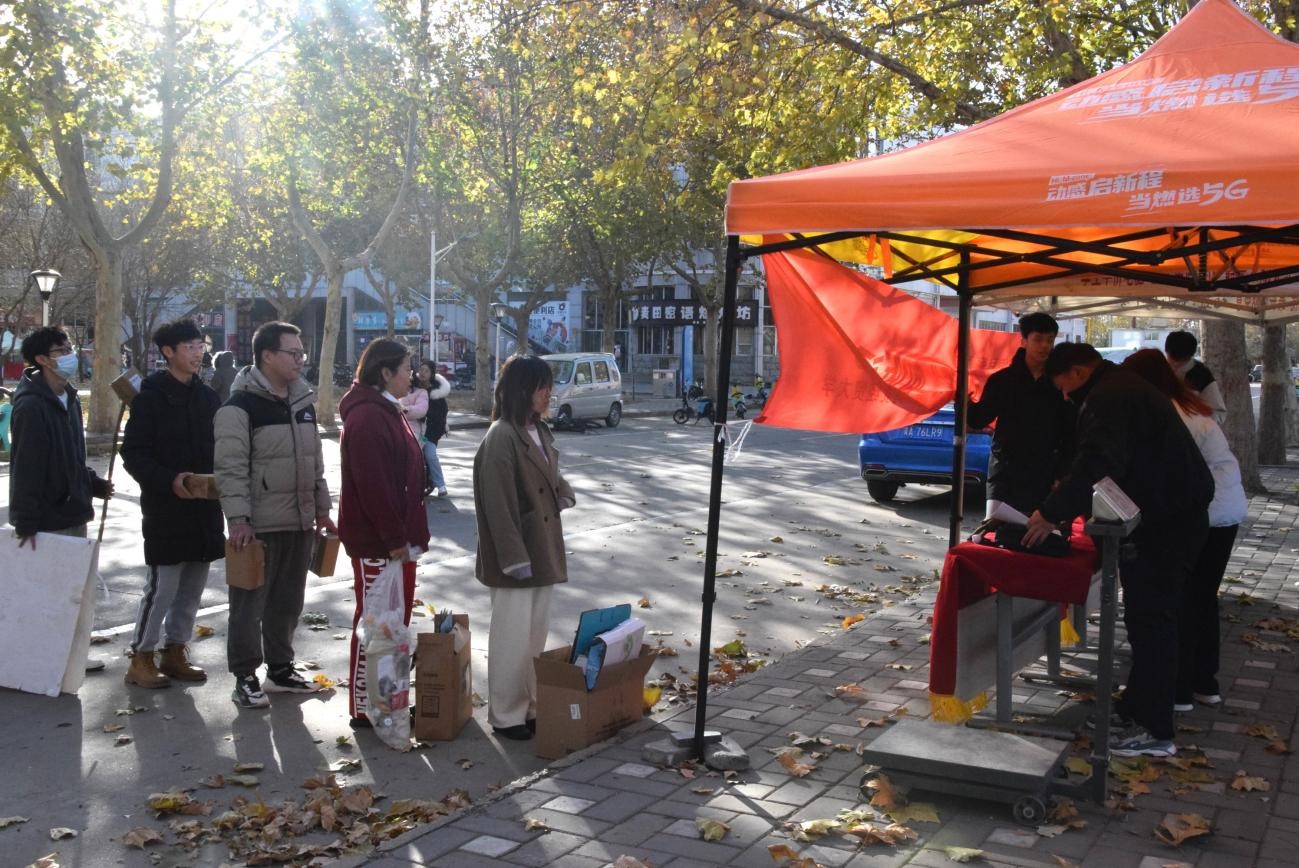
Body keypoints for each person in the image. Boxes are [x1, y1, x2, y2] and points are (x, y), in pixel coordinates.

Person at [1024, 343, 1213, 758]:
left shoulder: (1110, 396)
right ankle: (1135, 709)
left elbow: (1098, 461)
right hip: (1168, 515)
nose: (1064, 396)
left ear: (1076, 372)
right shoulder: (1119, 387)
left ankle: (1155, 729)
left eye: (1063, 386)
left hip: (1167, 523)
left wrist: (1051, 512)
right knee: (1144, 620)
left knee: (1152, 622)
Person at [214, 321, 336, 709]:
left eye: (303, 353)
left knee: (288, 602)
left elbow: (314, 462)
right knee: (248, 606)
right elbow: (230, 470)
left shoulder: (303, 404)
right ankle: (245, 677)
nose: (301, 360)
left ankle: (281, 670)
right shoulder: (239, 408)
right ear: (267, 355)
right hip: (258, 527)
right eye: (293, 353)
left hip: (299, 521)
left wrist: (322, 510)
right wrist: (239, 521)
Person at [1121, 349, 1246, 712]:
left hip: (1203, 513)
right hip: (1224, 510)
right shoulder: (1187, 405)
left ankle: (1179, 689)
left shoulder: (1168, 414)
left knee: (1181, 601)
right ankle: (1204, 683)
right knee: (1202, 598)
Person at [473, 355, 576, 741]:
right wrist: (514, 559)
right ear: (521, 390)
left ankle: (530, 706)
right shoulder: (501, 435)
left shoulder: (537, 430)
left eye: (549, 385)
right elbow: (497, 505)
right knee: (511, 641)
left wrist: (563, 491)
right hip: (516, 557)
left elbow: (550, 472)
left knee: (534, 638)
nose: (548, 393)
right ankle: (506, 715)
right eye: (540, 386)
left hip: (541, 548)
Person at [120, 320, 226, 688]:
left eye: (201, 345)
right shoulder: (149, 397)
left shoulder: (208, 397)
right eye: (190, 346)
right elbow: (134, 454)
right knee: (162, 587)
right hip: (166, 508)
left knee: (194, 585)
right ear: (168, 351)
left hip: (205, 506)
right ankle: (141, 656)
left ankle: (176, 650)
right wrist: (170, 480)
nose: (198, 353)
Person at [8, 326, 114, 672]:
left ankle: (70, 655)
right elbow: (26, 467)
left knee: (73, 590)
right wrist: (25, 522)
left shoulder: (68, 397)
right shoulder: (30, 406)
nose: (70, 355)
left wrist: (92, 483)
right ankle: (45, 662)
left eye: (70, 348)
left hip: (74, 509)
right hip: (48, 518)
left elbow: (70, 456)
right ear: (42, 359)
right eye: (62, 350)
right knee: (50, 593)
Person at [337, 339, 430, 729]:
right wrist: (394, 540)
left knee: (394, 624)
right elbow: (374, 487)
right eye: (406, 369)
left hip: (398, 541)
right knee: (375, 624)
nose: (412, 376)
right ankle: (364, 706)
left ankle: (389, 698)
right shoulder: (367, 417)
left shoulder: (389, 409)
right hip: (379, 543)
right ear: (386, 372)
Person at [966, 312, 1074, 517]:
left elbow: (1070, 431)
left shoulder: (1061, 382)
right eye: (1038, 339)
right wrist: (965, 403)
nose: (1045, 346)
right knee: (997, 525)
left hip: (1046, 471)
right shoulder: (1003, 380)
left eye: (1050, 340)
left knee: (1039, 530)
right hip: (1006, 469)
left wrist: (1063, 472)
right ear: (1023, 340)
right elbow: (978, 419)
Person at [1165, 330, 1226, 424]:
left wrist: (1196, 421)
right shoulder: (1161, 368)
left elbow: (1219, 413)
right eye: (1172, 358)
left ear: (1190, 356)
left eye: (1181, 360)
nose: (1175, 364)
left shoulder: (1202, 374)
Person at [408, 360, 450, 498]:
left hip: (429, 433)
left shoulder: (436, 393)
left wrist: (424, 415)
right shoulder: (412, 386)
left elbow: (441, 414)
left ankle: (441, 484)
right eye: (421, 369)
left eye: (426, 370)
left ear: (432, 374)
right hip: (413, 429)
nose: (423, 373)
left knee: (430, 454)